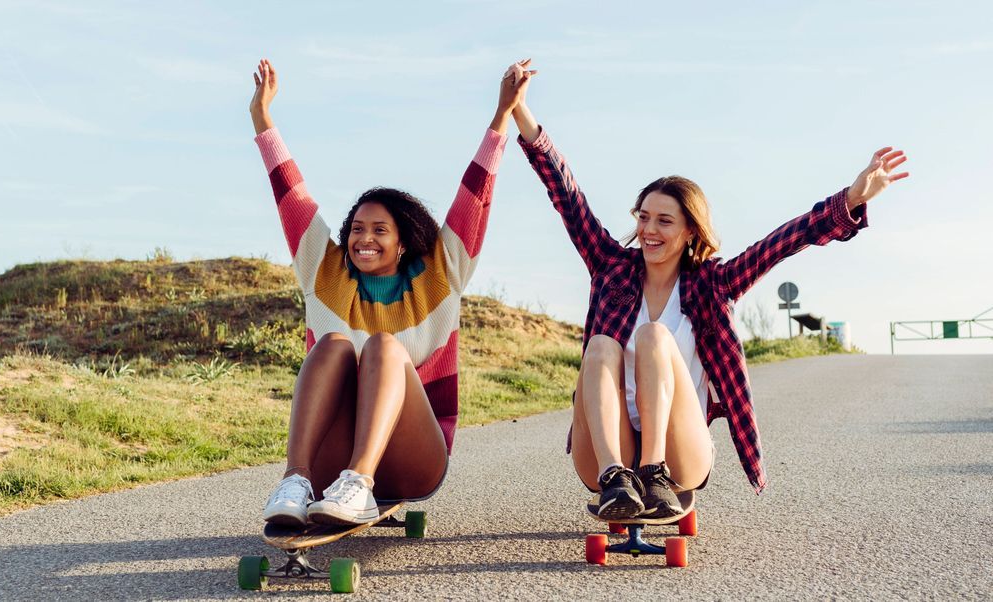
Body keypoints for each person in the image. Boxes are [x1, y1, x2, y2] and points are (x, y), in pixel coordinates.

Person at [507, 59, 909, 519]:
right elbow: (565, 192)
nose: (649, 230)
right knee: (600, 346)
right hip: (604, 453)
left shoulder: (713, 285)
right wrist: (520, 112)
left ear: (691, 232)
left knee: (654, 336)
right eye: (642, 217)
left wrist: (851, 200)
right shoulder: (611, 268)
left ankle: (654, 474)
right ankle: (618, 480)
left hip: (682, 456)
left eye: (664, 221)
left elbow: (782, 242)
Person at [249, 58, 530, 526]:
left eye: (380, 230)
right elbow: (291, 196)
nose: (365, 239)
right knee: (334, 345)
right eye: (357, 228)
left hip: (416, 458)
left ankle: (361, 482)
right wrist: (263, 120)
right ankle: (295, 481)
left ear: (404, 241)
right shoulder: (325, 270)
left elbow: (475, 196)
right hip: (328, 463)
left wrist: (502, 116)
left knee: (382, 346)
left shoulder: (440, 273)